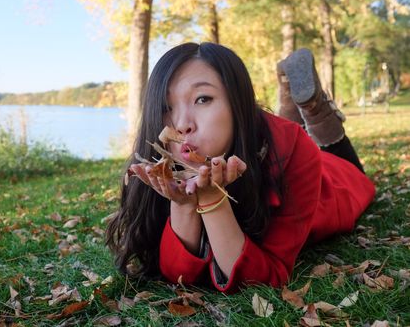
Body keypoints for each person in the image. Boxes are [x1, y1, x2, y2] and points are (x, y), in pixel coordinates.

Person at [106, 42, 375, 293]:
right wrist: (184, 205)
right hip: (258, 136)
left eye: (202, 99)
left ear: (237, 103)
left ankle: (315, 111)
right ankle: (290, 102)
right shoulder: (159, 166)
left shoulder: (296, 150)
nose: (181, 124)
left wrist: (213, 201)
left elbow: (265, 278)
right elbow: (178, 277)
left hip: (332, 183)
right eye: (167, 106)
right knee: (282, 130)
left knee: (345, 164)